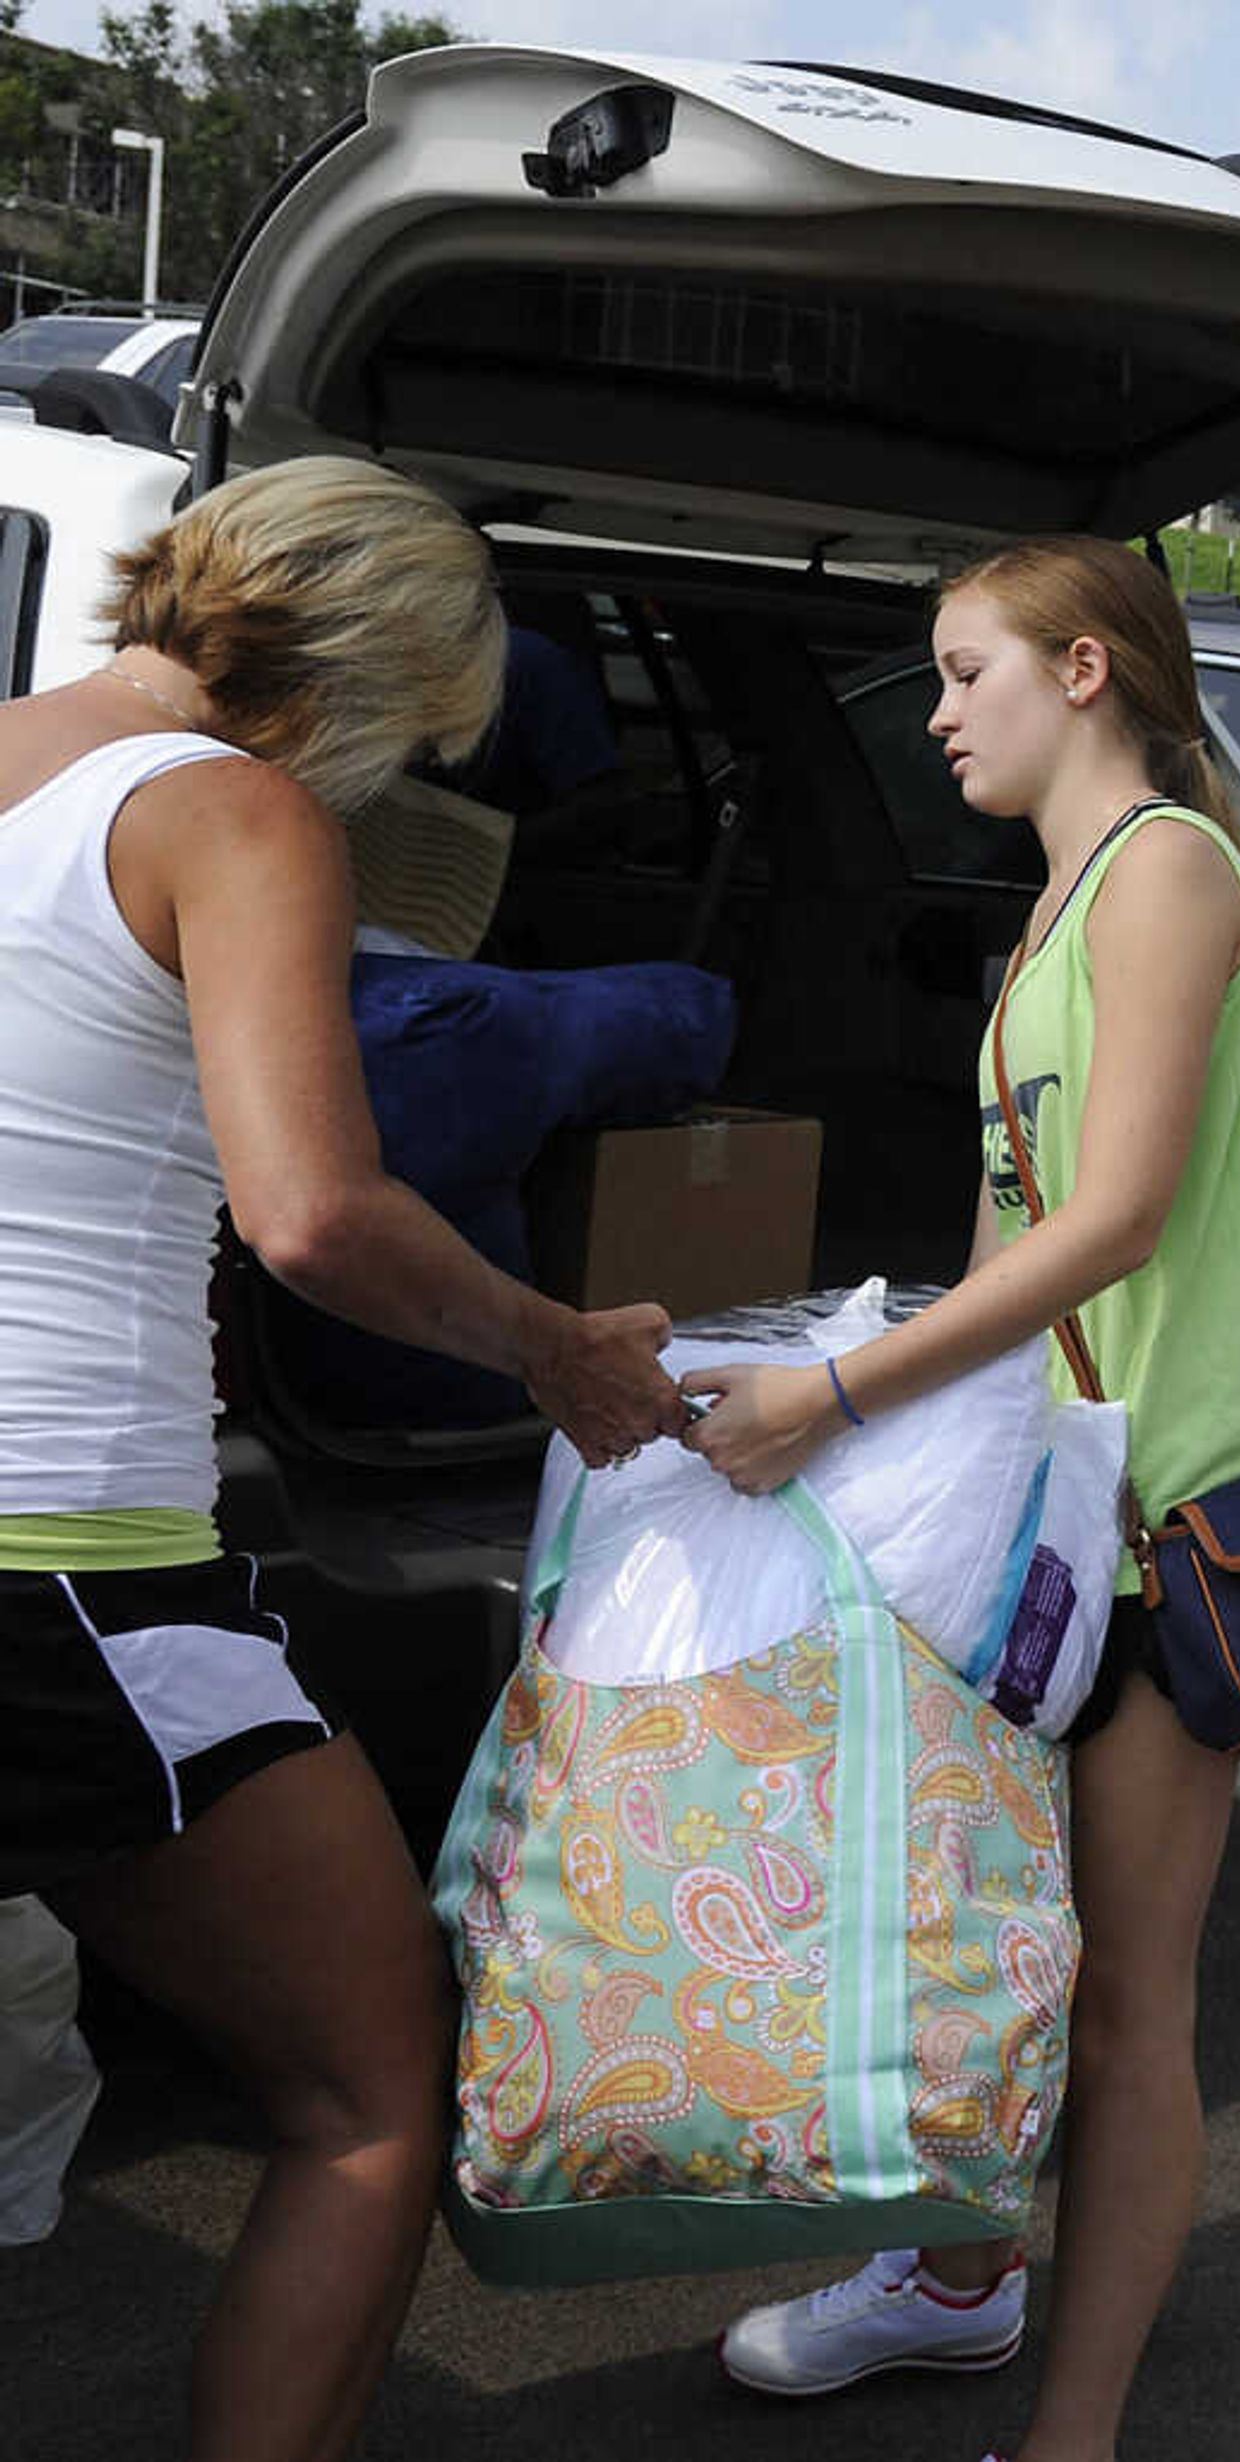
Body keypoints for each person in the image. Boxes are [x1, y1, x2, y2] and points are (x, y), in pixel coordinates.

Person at [0, 455, 687, 2462]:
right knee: (374, 2088)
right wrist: (555, 1347)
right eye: (420, 743)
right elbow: (312, 1213)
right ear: (370, 677)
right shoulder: (240, 812)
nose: (396, 791)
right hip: (70, 1566)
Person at [686, 535, 1240, 2462]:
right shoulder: (1060, 896)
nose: (939, 710)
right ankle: (961, 2284)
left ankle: (1071, 2435)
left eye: (964, 671)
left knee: (1134, 2000)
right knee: (996, 1949)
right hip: (1048, 1513)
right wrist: (881, 1417)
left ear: (1081, 670)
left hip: (1167, 1516)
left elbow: (1122, 1212)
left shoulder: (1167, 875)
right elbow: (1012, 1239)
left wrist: (832, 1388)